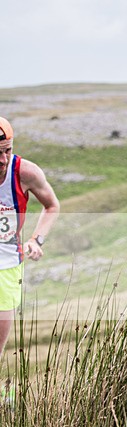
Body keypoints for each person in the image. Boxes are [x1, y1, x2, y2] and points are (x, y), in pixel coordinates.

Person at [0, 117, 60, 368]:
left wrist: (37, 240)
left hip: (6, 266)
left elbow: (52, 205)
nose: (2, 160)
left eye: (7, 151)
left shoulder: (25, 172)